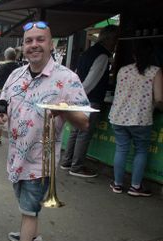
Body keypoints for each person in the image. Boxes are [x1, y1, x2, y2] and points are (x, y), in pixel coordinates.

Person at [0, 21, 90, 241]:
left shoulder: (67, 79)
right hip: (15, 156)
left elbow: (84, 123)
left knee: (28, 210)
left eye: (40, 39)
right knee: (27, 207)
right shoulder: (15, 74)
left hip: (40, 162)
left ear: (51, 43)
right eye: (29, 40)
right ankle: (33, 235)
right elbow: (3, 106)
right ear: (23, 46)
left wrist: (64, 110)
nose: (34, 45)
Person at [60, 25, 119, 178]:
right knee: (83, 133)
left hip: (79, 98)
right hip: (89, 100)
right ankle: (77, 167)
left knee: (75, 131)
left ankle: (67, 161)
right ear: (109, 39)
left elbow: (79, 77)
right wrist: (80, 96)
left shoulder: (87, 53)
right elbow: (91, 81)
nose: (115, 43)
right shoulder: (102, 56)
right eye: (115, 39)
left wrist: (74, 96)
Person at [108, 40, 163, 197]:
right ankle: (135, 186)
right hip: (140, 118)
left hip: (118, 117)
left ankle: (117, 184)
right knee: (141, 150)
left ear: (134, 55)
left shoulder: (123, 70)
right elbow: (159, 99)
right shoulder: (155, 71)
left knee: (121, 149)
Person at [0, 47, 20, 146]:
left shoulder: (0, 67)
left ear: (5, 56)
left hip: (1, 95)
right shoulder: (20, 67)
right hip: (16, 95)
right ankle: (16, 140)